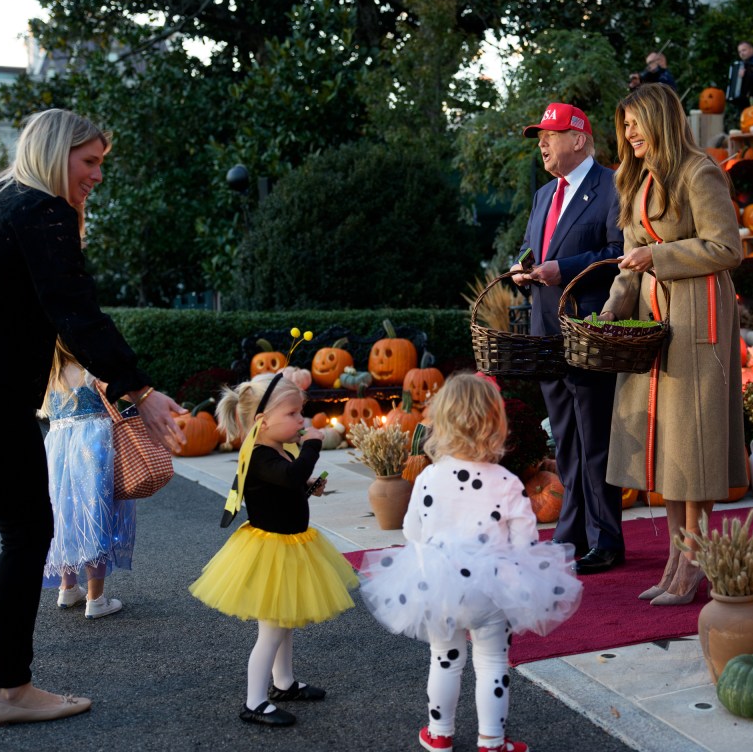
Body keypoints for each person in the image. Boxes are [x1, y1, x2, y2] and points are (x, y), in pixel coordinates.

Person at [0, 108, 184, 727]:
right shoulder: (43, 211)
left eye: (101, 162)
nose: (97, 175)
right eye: (89, 161)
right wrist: (138, 390)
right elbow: (75, 311)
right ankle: (11, 689)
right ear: (55, 154)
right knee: (27, 529)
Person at [357, 374, 582, 752]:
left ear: (441, 424)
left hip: (438, 587)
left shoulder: (428, 477)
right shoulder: (506, 481)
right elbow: (525, 541)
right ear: (496, 425)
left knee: (444, 659)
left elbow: (412, 530)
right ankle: (492, 740)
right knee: (493, 663)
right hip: (491, 590)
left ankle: (439, 733)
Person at [598, 83, 747, 606]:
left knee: (693, 444)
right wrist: (613, 307)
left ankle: (692, 565)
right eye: (625, 126)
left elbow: (727, 248)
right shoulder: (637, 183)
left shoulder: (698, 172)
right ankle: (675, 561)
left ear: (659, 120)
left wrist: (659, 259)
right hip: (652, 322)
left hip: (697, 319)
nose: (629, 133)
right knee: (667, 451)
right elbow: (630, 259)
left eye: (636, 123)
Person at [189, 372, 357, 728]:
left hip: (291, 546)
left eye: (301, 413)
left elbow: (290, 483)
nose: (302, 421)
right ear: (263, 422)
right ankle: (254, 701)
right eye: (294, 414)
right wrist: (313, 444)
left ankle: (284, 682)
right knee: (271, 631)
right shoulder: (261, 455)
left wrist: (309, 486)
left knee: (285, 621)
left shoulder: (277, 449)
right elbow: (289, 476)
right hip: (271, 553)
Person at [510, 102, 625, 575]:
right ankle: (570, 534)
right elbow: (531, 247)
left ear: (579, 139)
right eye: (539, 136)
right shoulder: (543, 195)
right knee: (565, 439)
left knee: (595, 437)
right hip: (546, 333)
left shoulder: (613, 187)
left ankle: (606, 538)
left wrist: (566, 270)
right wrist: (522, 266)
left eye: (551, 134)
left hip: (590, 329)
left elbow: (620, 254)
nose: (542, 143)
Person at [41, 339, 136, 619]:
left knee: (65, 515)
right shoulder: (92, 368)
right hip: (93, 446)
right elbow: (126, 395)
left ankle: (67, 587)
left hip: (57, 448)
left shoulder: (49, 373)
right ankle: (96, 599)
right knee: (96, 514)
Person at [725, 41, 753, 111]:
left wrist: (747, 75)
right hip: (744, 102)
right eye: (739, 52)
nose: (741, 53)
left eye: (744, 50)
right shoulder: (740, 65)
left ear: (752, 50)